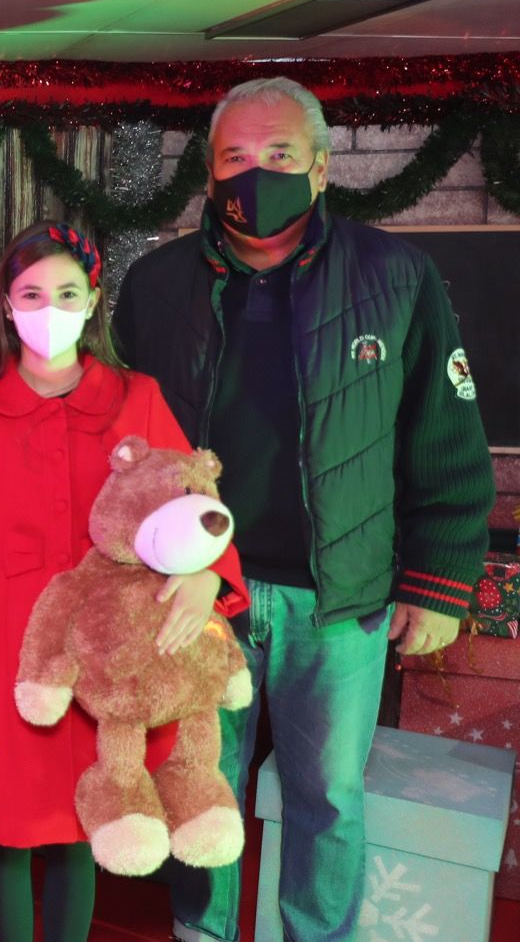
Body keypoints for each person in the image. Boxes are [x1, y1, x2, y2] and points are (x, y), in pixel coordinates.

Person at [112, 77, 496, 942]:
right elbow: (124, 449)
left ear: (321, 170)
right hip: (198, 597)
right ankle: (198, 934)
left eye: (280, 156)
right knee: (198, 783)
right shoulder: (159, 284)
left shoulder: (397, 275)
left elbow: (446, 434)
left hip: (342, 601)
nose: (258, 175)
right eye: (235, 158)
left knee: (328, 796)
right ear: (210, 176)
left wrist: (436, 584)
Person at [0, 222, 248, 942]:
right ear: (7, 306)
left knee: (80, 822)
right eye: (31, 293)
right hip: (0, 651)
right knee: (5, 829)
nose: (49, 306)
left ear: (94, 301)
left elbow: (192, 499)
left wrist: (209, 580)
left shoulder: (137, 397)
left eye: (66, 291)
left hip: (107, 645)